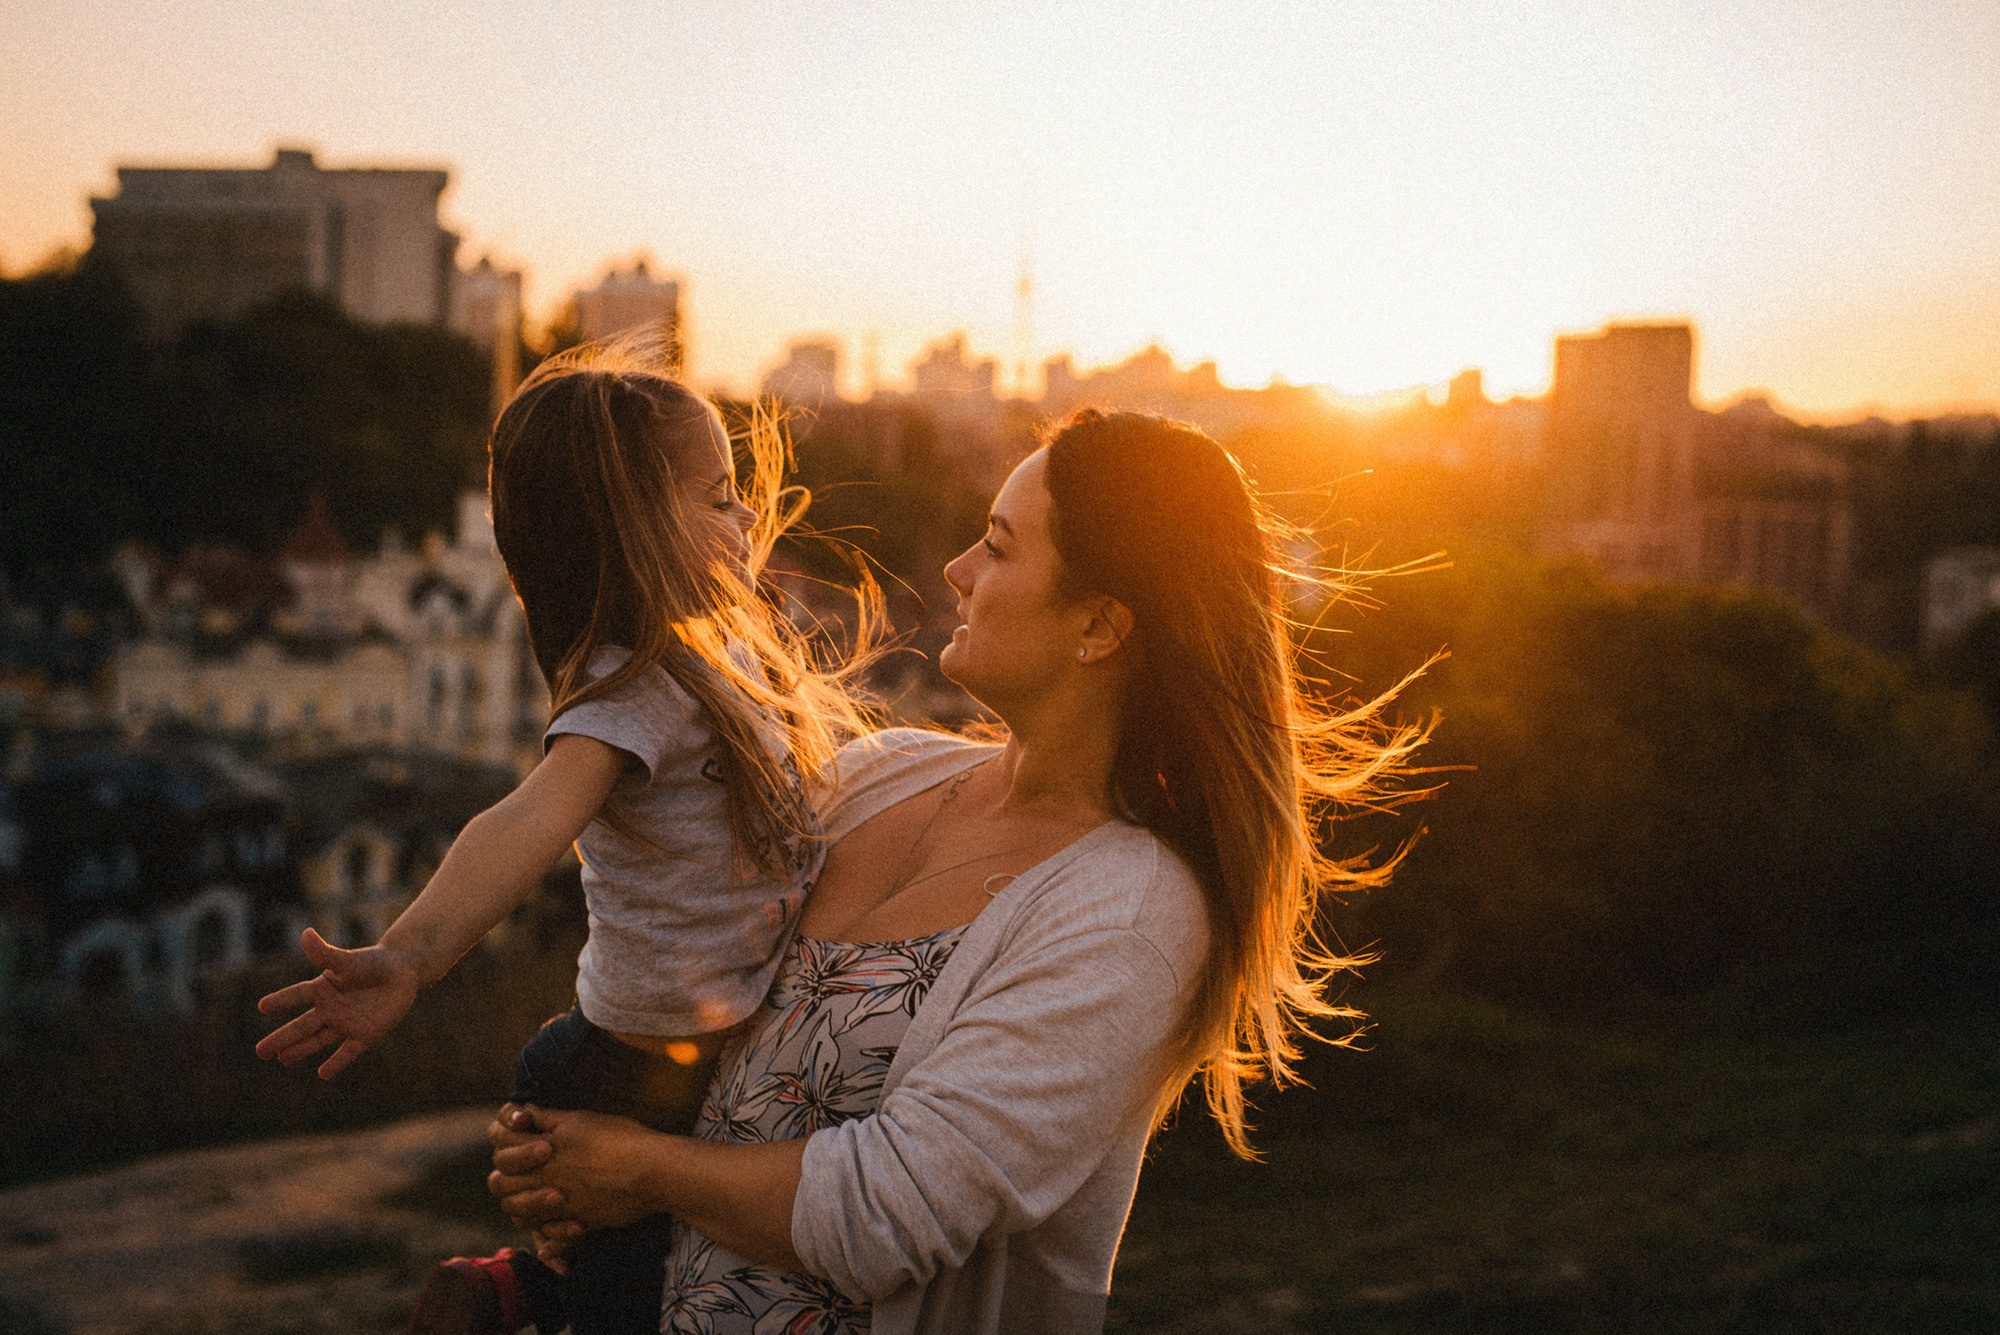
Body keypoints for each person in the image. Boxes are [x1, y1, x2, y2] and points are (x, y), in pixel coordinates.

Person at [485, 408, 1427, 1334]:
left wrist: (635, 1169)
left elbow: (887, 1212)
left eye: (999, 546)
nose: (957, 570)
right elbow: (683, 960)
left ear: (1099, 624)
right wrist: (564, 1140)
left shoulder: (1130, 910)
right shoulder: (878, 773)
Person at [253, 339, 876, 1335]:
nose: (747, 518)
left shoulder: (711, 660)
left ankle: (525, 1293)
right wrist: (411, 955)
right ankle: (519, 1298)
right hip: (628, 1074)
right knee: (636, 1305)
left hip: (682, 1053)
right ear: (631, 525)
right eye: (718, 498)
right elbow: (529, 817)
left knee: (672, 1277)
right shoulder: (632, 685)